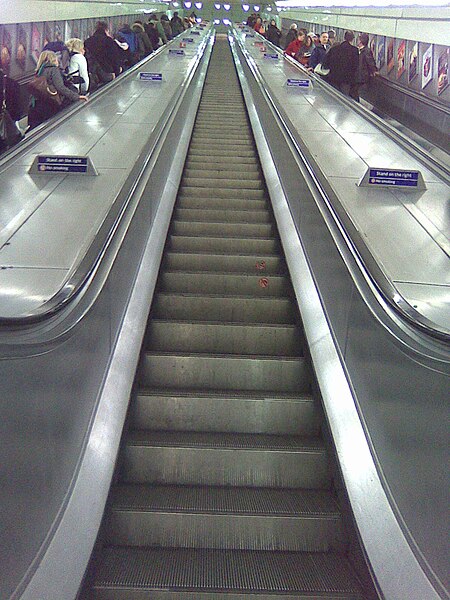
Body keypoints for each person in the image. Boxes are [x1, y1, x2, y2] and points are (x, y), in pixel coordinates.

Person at [28, 50, 88, 130]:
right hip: (49, 105)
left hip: (36, 105)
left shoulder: (39, 72)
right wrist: (77, 96)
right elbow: (60, 88)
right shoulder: (53, 70)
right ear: (53, 59)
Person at [84, 21, 125, 86]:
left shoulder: (87, 41)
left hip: (93, 73)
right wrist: (117, 71)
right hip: (108, 71)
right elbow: (115, 57)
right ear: (106, 30)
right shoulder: (109, 41)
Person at [322, 30, 359, 97]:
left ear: (344, 38)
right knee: (344, 98)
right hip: (346, 80)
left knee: (333, 97)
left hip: (333, 78)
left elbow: (325, 62)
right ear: (353, 39)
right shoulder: (354, 50)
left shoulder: (334, 49)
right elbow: (356, 66)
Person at [354, 32, 378, 101]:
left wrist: (374, 70)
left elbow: (370, 62)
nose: (357, 41)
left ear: (361, 41)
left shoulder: (366, 51)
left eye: (358, 40)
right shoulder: (359, 50)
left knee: (357, 92)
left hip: (361, 76)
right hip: (358, 76)